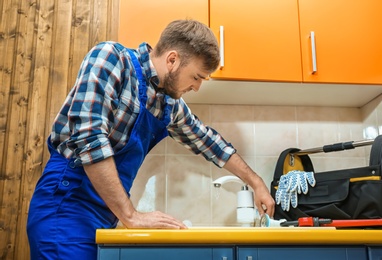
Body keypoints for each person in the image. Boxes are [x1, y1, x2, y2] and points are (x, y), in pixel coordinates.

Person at [27, 19, 275, 259]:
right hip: (66, 207)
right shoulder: (112, 58)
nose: (197, 87)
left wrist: (256, 182)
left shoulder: (169, 104)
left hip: (105, 214)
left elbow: (209, 142)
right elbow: (89, 136)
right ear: (172, 60)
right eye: (197, 77)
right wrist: (131, 215)